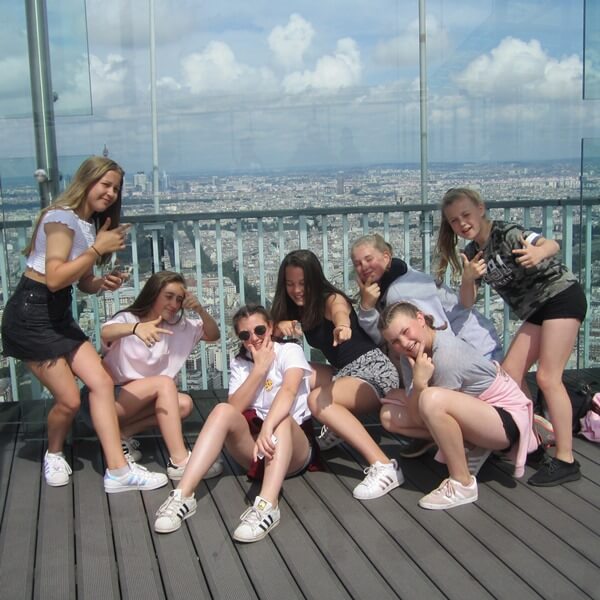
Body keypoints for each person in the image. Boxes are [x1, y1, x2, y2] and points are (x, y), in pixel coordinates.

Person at [1, 156, 167, 492]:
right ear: (86, 181)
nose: (111, 193)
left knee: (101, 382)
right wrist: (96, 249)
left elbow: (79, 281)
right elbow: (53, 278)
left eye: (116, 189)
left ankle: (118, 471)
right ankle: (54, 452)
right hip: (32, 314)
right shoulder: (61, 219)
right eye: (105, 184)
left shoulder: (87, 224)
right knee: (70, 401)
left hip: (57, 314)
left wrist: (101, 282)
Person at [436, 187, 587, 486]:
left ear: (481, 208)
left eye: (466, 214)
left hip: (560, 296)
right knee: (510, 374)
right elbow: (467, 302)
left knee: (548, 377)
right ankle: (530, 439)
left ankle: (566, 458)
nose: (462, 223)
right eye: (454, 221)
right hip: (537, 310)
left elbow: (549, 244)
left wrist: (538, 252)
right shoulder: (472, 254)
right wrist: (468, 278)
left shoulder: (506, 233)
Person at [154, 304, 319, 542]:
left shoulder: (289, 351)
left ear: (271, 328)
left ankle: (267, 506)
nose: (254, 338)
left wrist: (268, 426)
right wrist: (259, 369)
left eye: (260, 330)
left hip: (293, 446)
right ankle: (183, 495)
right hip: (255, 447)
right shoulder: (241, 364)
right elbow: (234, 408)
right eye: (245, 335)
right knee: (221, 409)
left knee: (282, 418)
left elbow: (290, 390)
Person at [352, 233, 504, 459]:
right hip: (478, 345)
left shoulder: (399, 292)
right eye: (357, 263)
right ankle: (444, 435)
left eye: (368, 259)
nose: (363, 266)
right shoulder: (401, 277)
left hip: (471, 355)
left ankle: (462, 440)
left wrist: (366, 309)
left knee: (411, 396)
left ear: (386, 256)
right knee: (397, 394)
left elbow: (433, 333)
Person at [271, 249, 402, 501]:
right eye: (290, 284)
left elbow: (340, 311)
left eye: (303, 284)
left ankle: (384, 465)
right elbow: (266, 334)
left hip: (373, 372)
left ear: (315, 281)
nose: (297, 290)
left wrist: (342, 326)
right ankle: (334, 427)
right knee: (293, 373)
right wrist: (279, 326)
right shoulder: (297, 307)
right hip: (344, 373)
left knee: (317, 400)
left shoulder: (330, 300)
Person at [379, 301, 537, 510]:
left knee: (430, 399)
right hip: (480, 413)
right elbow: (416, 411)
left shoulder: (446, 355)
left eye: (405, 332)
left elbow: (424, 412)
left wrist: (419, 385)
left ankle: (462, 483)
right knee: (389, 415)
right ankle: (472, 446)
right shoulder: (410, 355)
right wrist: (418, 384)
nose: (404, 343)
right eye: (395, 341)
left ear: (420, 319)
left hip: (505, 421)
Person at [100, 270, 221, 479]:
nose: (174, 304)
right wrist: (136, 328)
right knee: (166, 384)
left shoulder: (178, 327)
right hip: (111, 400)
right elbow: (106, 333)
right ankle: (180, 461)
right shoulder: (128, 318)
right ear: (153, 293)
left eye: (179, 299)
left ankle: (122, 434)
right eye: (168, 296)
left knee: (183, 404)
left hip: (141, 400)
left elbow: (213, 334)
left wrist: (199, 309)